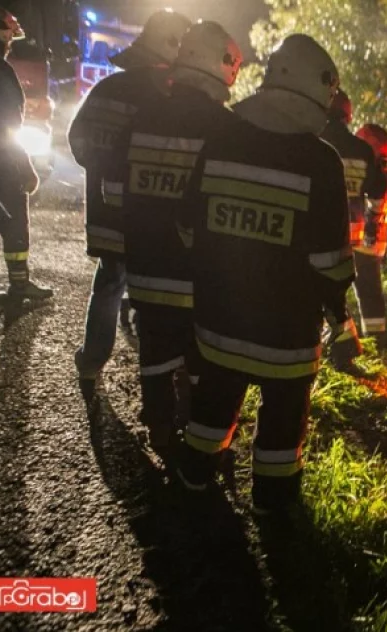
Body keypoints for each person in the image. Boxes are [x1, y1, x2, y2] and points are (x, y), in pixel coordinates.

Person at [179, 33, 354, 514]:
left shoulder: (221, 136)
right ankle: (273, 507)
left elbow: (188, 222)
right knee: (282, 422)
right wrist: (342, 319)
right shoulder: (321, 163)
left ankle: (193, 478)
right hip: (287, 340)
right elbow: (330, 261)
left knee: (213, 403)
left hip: (218, 324)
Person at [117, 21, 243, 450]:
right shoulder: (225, 129)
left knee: (153, 348)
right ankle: (197, 432)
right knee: (199, 356)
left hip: (146, 265)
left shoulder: (143, 116)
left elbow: (115, 187)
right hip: (197, 276)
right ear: (224, 67)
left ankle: (157, 424)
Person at [68, 9, 191, 400]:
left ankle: (91, 363)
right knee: (150, 298)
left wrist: (101, 171)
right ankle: (158, 388)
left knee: (108, 283)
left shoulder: (103, 91)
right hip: (149, 219)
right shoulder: (167, 102)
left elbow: (78, 143)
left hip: (106, 217)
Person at [0, 5, 51, 302]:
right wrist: (24, 165)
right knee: (12, 218)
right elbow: (6, 125)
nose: (11, 43)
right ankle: (19, 283)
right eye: (10, 37)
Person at [319, 89, 387, 368]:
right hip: (351, 236)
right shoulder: (361, 150)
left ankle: (342, 345)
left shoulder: (315, 140)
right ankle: (342, 345)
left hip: (318, 230)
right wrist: (374, 218)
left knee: (321, 289)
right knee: (336, 289)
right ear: (348, 116)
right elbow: (379, 190)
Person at [353, 123, 387, 338]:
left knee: (331, 287)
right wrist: (386, 247)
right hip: (374, 248)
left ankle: (343, 340)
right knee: (371, 297)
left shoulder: (371, 177)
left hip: (358, 242)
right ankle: (375, 344)